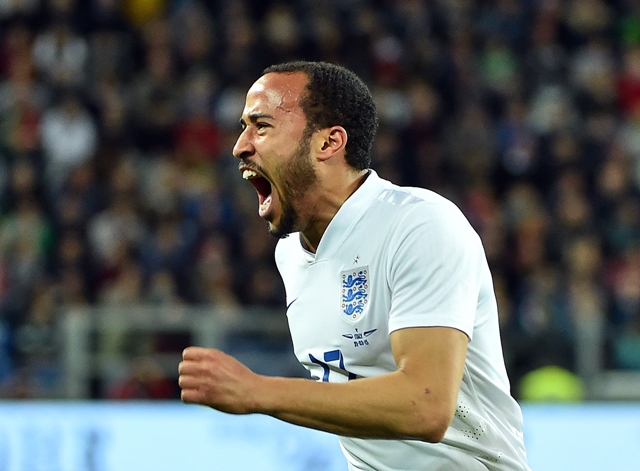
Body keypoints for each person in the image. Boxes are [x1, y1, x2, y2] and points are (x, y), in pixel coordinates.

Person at [178, 61, 531, 471]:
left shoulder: (418, 225)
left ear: (328, 143)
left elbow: (427, 405)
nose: (240, 145)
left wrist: (258, 392)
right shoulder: (290, 253)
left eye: (262, 126)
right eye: (243, 127)